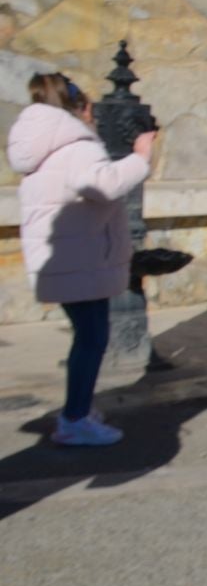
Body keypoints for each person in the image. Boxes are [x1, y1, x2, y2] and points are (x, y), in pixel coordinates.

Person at [7, 73, 159, 447]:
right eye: (91, 107)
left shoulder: (43, 145)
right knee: (92, 339)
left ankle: (77, 410)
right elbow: (104, 184)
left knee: (87, 337)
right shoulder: (76, 145)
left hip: (64, 258)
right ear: (80, 107)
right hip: (82, 260)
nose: (93, 116)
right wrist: (141, 155)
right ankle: (74, 419)